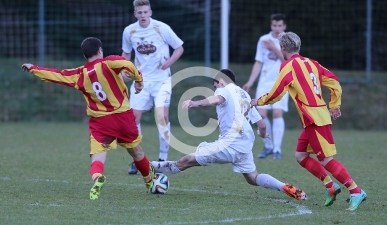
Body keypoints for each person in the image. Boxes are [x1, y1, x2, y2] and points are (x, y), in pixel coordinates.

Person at [21, 37, 155, 200]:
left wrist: (34, 68)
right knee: (137, 152)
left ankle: (97, 176)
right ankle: (150, 182)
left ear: (85, 56)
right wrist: (139, 80)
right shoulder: (109, 62)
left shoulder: (80, 74)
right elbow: (127, 64)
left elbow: (56, 75)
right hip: (123, 118)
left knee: (98, 155)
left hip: (101, 123)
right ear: (100, 50)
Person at [251, 32, 367, 211]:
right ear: (298, 47)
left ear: (283, 48)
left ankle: (356, 191)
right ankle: (330, 187)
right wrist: (334, 105)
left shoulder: (287, 66)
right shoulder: (312, 63)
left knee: (326, 160)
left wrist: (257, 101)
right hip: (315, 118)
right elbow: (334, 81)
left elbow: (275, 94)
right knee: (301, 155)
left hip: (314, 119)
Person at [151, 69, 307, 201]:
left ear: (221, 81)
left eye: (215, 85)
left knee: (186, 160)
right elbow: (262, 124)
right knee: (253, 178)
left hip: (230, 144)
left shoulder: (224, 89)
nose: (216, 88)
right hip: (245, 145)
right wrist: (262, 134)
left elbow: (216, 100)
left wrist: (195, 103)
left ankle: (148, 165)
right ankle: (284, 186)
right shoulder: (245, 95)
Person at [121, 0, 184, 175]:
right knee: (132, 121)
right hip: (140, 80)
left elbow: (179, 48)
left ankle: (163, 159)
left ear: (150, 12)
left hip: (161, 79)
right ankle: (138, 160)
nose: (142, 15)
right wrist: (124, 70)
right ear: (135, 14)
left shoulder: (161, 28)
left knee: (162, 117)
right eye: (139, 13)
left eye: (145, 12)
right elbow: (126, 54)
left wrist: (169, 62)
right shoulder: (129, 31)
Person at [243, 14, 288, 160]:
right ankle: (268, 146)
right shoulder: (263, 40)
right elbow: (258, 62)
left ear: (284, 26)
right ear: (271, 26)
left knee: (277, 113)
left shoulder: (289, 40)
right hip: (264, 82)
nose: (277, 28)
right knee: (261, 115)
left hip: (282, 82)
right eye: (274, 25)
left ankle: (277, 149)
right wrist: (250, 82)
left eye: (280, 25)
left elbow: (288, 61)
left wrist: (275, 48)